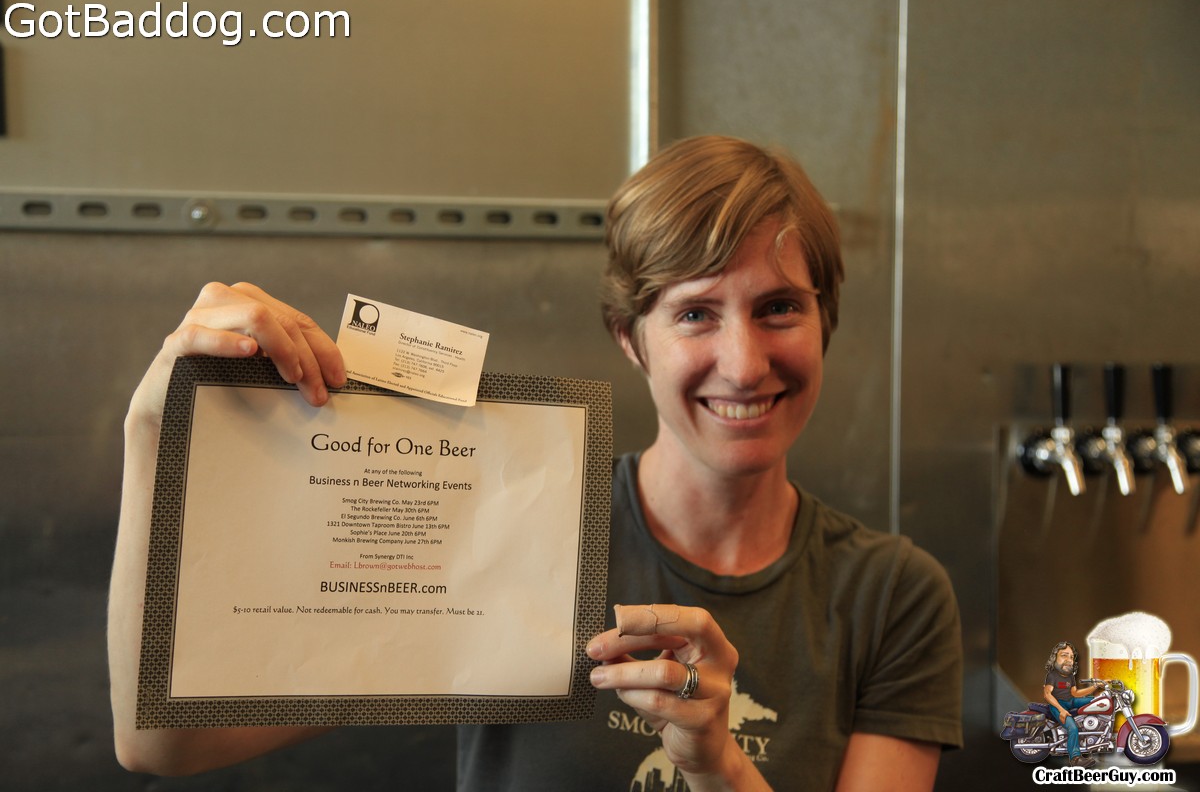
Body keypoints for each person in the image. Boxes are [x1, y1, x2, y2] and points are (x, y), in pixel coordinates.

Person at [108, 135, 963, 790]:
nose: (743, 364)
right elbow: (163, 743)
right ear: (631, 338)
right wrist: (154, 429)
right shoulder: (519, 526)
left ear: (825, 321)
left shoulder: (891, 595)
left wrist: (717, 763)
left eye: (778, 308)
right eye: (695, 313)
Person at [1043, 641, 1101, 768]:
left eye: (1071, 657)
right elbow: (1047, 694)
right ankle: (1075, 758)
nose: (1069, 660)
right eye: (1064, 655)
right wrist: (1061, 710)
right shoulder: (1052, 675)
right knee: (1073, 728)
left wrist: (1094, 687)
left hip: (1071, 701)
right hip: (1058, 704)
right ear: (1054, 658)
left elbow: (1075, 693)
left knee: (1097, 701)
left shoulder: (1070, 676)